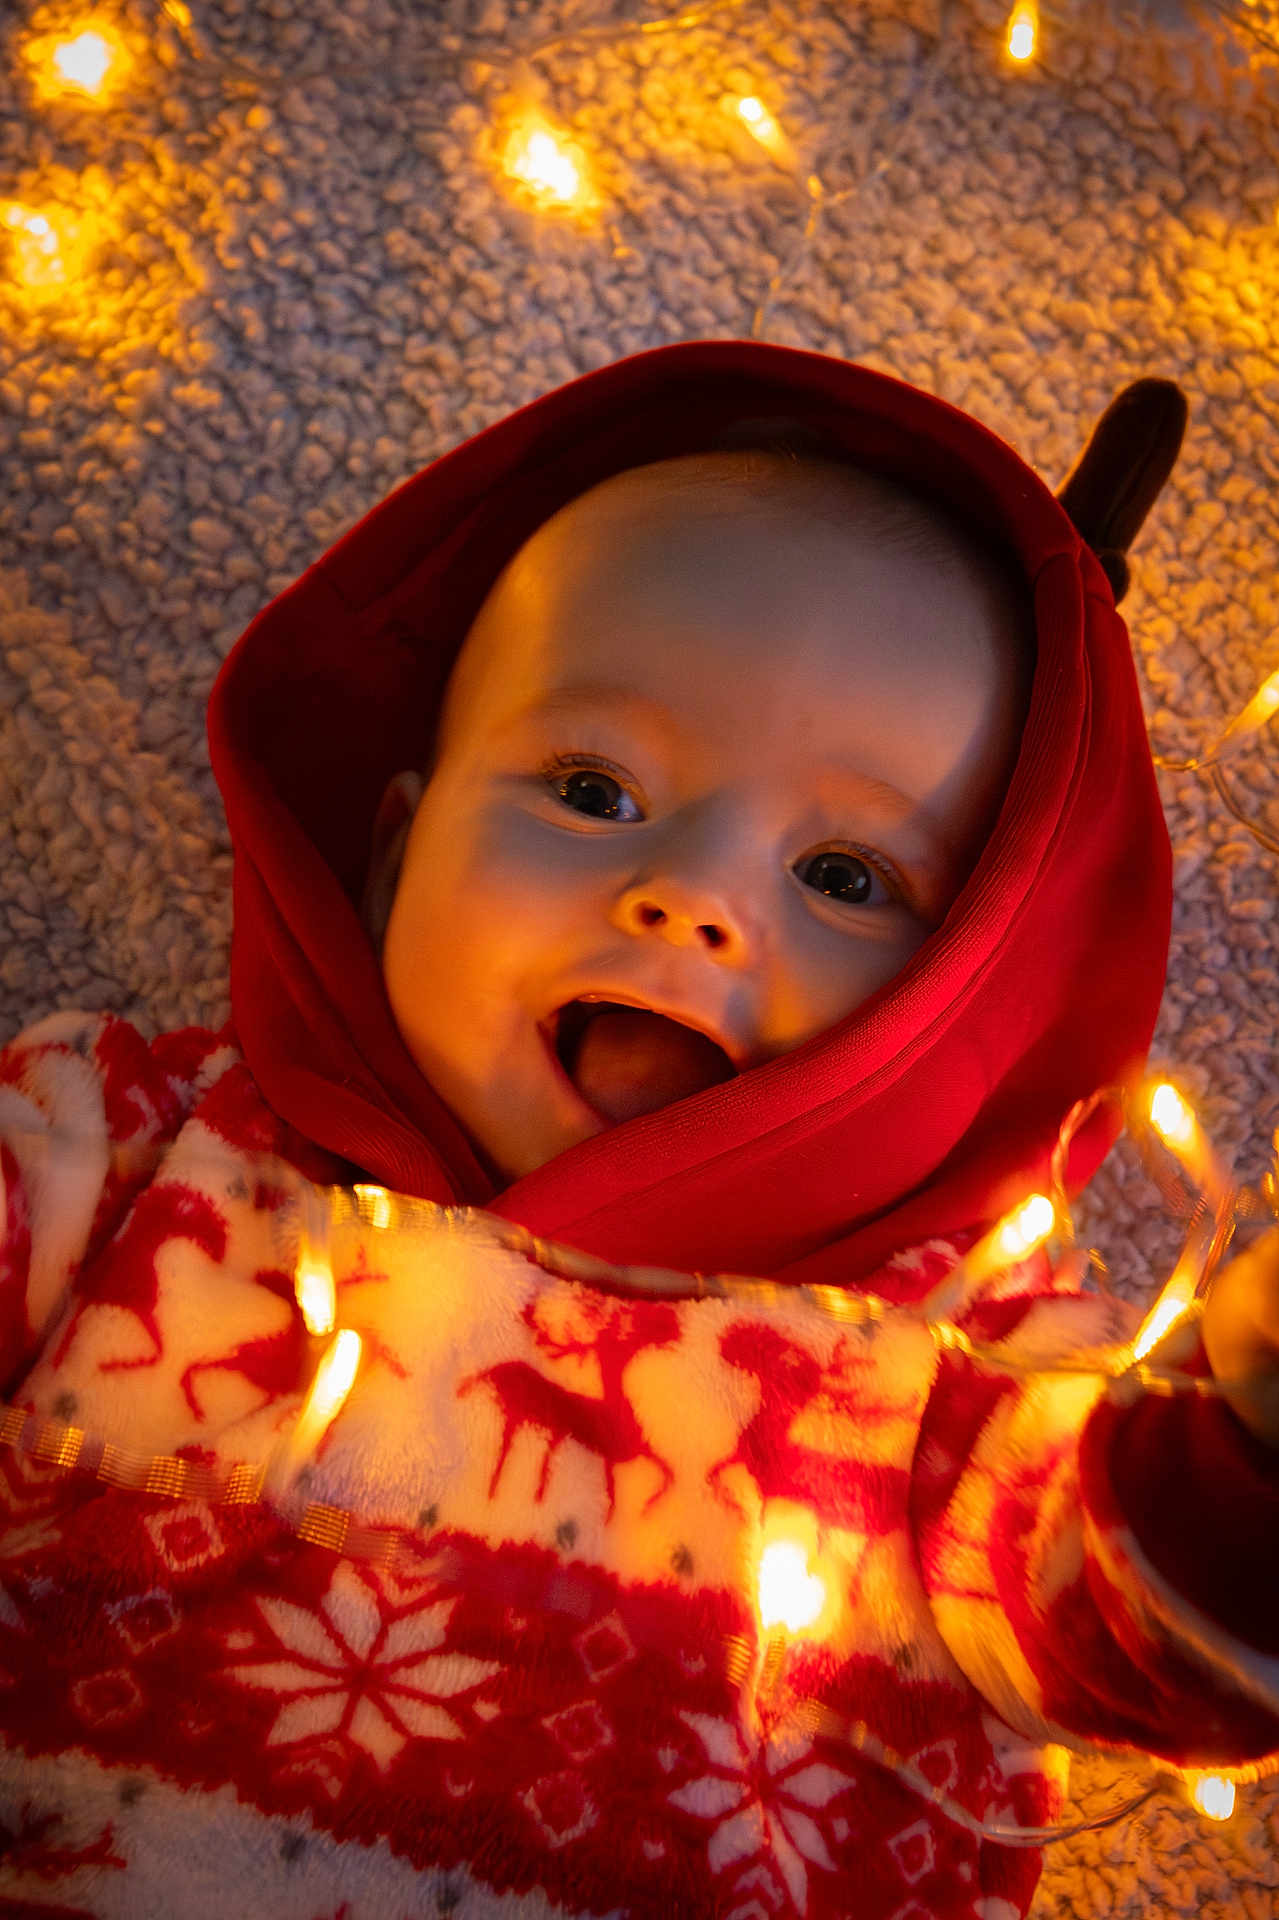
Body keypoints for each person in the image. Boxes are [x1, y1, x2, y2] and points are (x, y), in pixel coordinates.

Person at [0, 339, 1275, 1920]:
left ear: (967, 1001)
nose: (695, 900)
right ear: (397, 854)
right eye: (593, 787)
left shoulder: (965, 1361)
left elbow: (1144, 1631)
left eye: (848, 878)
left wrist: (1247, 1461)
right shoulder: (129, 1152)